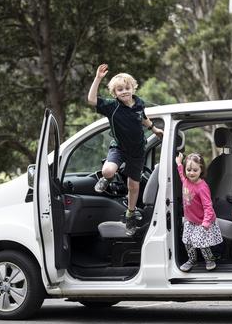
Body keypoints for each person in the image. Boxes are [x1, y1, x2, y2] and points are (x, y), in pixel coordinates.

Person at [87, 64, 163, 235]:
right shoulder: (111, 107)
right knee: (107, 170)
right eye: (119, 90)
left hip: (137, 150)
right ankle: (107, 179)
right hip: (119, 147)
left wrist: (154, 129)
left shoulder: (139, 103)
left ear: (133, 88)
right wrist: (98, 78)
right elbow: (91, 100)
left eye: (127, 88)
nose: (124, 92)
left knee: (133, 186)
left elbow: (142, 117)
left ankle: (130, 213)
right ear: (115, 93)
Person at [175, 152, 223, 272]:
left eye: (195, 170)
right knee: (187, 241)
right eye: (189, 169)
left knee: (201, 242)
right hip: (190, 220)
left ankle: (209, 259)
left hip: (202, 221)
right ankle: (192, 259)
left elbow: (208, 207)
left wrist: (206, 222)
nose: (191, 173)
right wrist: (179, 164)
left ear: (201, 170)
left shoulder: (202, 187)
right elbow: (181, 175)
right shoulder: (186, 180)